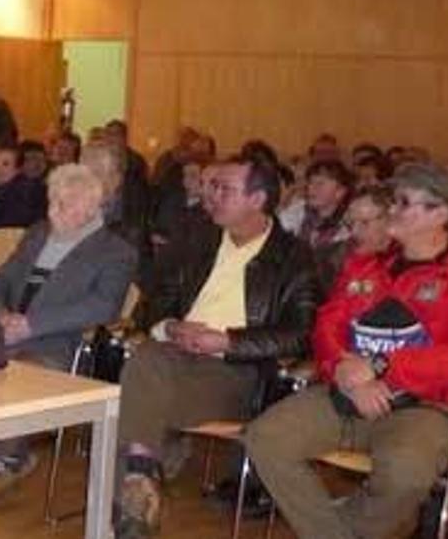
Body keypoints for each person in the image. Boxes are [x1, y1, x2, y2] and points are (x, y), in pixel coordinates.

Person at [245, 163, 448, 539]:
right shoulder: (365, 267)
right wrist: (343, 370)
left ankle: (340, 526)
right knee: (265, 438)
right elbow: (327, 326)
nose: (392, 212)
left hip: (423, 406)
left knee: (405, 473)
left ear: (441, 214)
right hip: (346, 394)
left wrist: (380, 365)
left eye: (403, 203)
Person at [114, 157, 319, 538]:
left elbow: (303, 333)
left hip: (237, 372)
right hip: (173, 355)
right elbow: (151, 303)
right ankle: (142, 481)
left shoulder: (293, 257)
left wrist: (229, 341)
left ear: (257, 199)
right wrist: (171, 325)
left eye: (224, 189)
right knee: (147, 362)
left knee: (132, 403)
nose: (211, 195)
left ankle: (139, 482)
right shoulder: (198, 239)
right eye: (212, 186)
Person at [0, 163, 135, 513]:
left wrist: (31, 325)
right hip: (3, 331)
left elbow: (103, 307)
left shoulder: (115, 251)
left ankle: (1, 461)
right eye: (52, 201)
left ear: (91, 207)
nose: (52, 211)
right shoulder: (39, 234)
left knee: (12, 372)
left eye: (63, 205)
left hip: (57, 344)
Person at [316, 184, 395, 290]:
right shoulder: (330, 258)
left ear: (390, 220)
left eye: (364, 223)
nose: (355, 232)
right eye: (351, 223)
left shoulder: (407, 264)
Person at [278, 159, 355, 251]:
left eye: (320, 184)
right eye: (310, 182)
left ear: (340, 192)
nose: (311, 188)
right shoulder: (294, 213)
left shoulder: (350, 222)